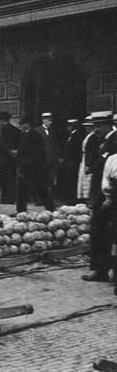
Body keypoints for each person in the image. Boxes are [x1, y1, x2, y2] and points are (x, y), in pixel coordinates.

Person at [83, 111, 116, 282]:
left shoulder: (114, 140)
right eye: (94, 126)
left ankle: (101, 270)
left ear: (108, 124)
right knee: (100, 232)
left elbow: (104, 165)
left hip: (107, 195)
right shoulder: (102, 140)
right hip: (100, 193)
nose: (95, 130)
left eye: (98, 126)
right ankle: (100, 269)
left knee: (101, 232)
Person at [15, 116, 55, 214]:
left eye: (21, 125)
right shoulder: (36, 135)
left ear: (26, 125)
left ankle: (21, 211)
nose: (20, 127)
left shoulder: (28, 136)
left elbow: (29, 154)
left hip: (29, 168)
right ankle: (50, 208)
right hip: (35, 167)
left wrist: (23, 168)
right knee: (40, 189)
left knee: (24, 190)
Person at [0, 111, 22, 204]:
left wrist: (9, 151)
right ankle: (12, 198)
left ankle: (4, 199)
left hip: (3, 159)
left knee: (3, 179)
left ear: (2, 120)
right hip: (13, 159)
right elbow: (20, 142)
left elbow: (2, 143)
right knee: (12, 179)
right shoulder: (16, 129)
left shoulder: (1, 129)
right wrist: (15, 151)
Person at [100, 151, 117, 295]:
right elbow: (106, 183)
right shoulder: (112, 159)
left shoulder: (112, 159)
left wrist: (109, 198)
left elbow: (106, 184)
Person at [34, 112, 62, 195]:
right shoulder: (37, 131)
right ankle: (40, 199)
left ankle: (49, 198)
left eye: (51, 120)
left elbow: (56, 145)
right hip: (41, 159)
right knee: (41, 178)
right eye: (49, 120)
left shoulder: (53, 131)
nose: (51, 122)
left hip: (52, 159)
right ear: (43, 120)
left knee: (50, 179)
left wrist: (59, 156)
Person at [62, 119, 86, 203]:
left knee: (73, 181)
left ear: (72, 126)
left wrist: (73, 161)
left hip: (73, 163)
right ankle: (70, 198)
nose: (67, 128)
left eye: (69, 126)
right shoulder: (71, 135)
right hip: (69, 162)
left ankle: (73, 199)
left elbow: (76, 150)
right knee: (70, 180)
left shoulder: (76, 136)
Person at [77, 117, 95, 201]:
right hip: (84, 158)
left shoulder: (92, 136)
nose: (86, 128)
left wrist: (88, 163)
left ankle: (87, 197)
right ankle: (84, 198)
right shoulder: (88, 136)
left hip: (88, 159)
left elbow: (90, 151)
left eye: (88, 126)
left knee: (88, 178)